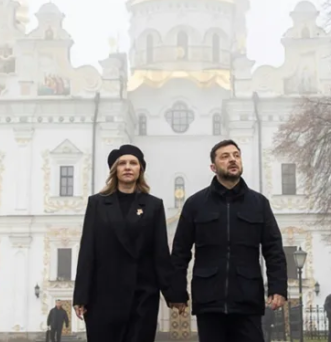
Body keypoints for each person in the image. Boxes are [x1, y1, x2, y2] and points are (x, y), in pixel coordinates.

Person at [169, 139, 288, 342]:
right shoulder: (196, 204)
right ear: (213, 167)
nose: (232, 160)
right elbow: (180, 250)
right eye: (225, 157)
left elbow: (273, 248)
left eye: (236, 155)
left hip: (247, 298)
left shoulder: (258, 204)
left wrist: (278, 287)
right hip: (209, 299)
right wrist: (177, 291)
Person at [73, 144, 176, 342]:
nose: (128, 167)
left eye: (133, 163)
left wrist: (173, 294)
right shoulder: (97, 203)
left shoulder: (153, 205)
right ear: (115, 170)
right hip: (103, 295)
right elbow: (87, 250)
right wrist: (81, 296)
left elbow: (160, 253)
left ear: (140, 169)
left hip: (142, 295)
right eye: (122, 163)